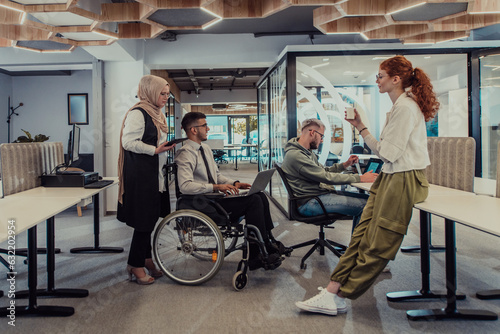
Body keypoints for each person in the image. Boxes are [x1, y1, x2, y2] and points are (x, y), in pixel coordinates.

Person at [296, 55, 439, 315]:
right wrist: (361, 126)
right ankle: (332, 291)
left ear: (396, 79)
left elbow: (388, 153)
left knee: (377, 243)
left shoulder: (406, 108)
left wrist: (362, 129)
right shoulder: (399, 108)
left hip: (402, 178)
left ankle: (340, 294)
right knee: (361, 237)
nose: (377, 80)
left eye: (380, 76)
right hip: (392, 176)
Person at [174, 111, 284, 271]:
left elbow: (216, 176)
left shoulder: (205, 148)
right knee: (253, 202)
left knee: (259, 196)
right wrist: (216, 187)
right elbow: (185, 185)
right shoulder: (185, 154)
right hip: (203, 203)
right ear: (194, 130)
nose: (208, 129)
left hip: (214, 199)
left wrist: (235, 183)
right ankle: (254, 255)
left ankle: (267, 241)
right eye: (204, 125)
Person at [117, 75, 175, 285]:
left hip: (154, 174)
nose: (166, 97)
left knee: (150, 219)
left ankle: (147, 258)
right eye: (162, 93)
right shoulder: (138, 113)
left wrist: (162, 147)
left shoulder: (157, 113)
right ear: (150, 92)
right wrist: (155, 149)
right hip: (141, 176)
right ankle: (135, 264)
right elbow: (128, 142)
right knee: (143, 222)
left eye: (167, 94)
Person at [281, 118, 378, 229]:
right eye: (322, 136)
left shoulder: (306, 152)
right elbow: (326, 177)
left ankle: (358, 244)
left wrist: (345, 164)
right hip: (310, 202)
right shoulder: (296, 155)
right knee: (366, 206)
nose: (322, 140)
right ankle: (358, 246)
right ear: (312, 132)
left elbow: (323, 171)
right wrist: (360, 178)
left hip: (317, 196)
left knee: (369, 200)